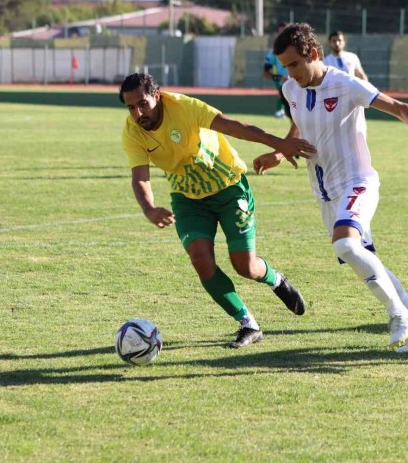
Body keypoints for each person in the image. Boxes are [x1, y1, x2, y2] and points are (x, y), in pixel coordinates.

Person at [253, 23, 408, 352]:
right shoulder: (292, 90)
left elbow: (398, 107)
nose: (289, 74)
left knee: (346, 246)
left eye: (293, 65)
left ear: (314, 54)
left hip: (357, 182)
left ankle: (399, 314)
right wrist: (279, 152)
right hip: (325, 192)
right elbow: (299, 127)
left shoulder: (345, 84)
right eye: (284, 67)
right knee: (361, 257)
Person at [119, 73, 316, 349]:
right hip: (188, 198)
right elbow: (140, 176)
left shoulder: (186, 108)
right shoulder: (133, 131)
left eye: (143, 104)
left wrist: (278, 144)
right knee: (200, 259)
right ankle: (248, 323)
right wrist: (149, 208)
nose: (138, 113)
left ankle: (277, 280)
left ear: (158, 95)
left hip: (229, 187)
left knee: (245, 266)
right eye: (130, 107)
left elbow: (236, 127)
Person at [263, 23, 290, 119]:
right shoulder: (274, 52)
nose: (282, 34)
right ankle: (279, 111)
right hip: (282, 81)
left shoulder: (298, 48)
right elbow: (265, 73)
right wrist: (279, 78)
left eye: (285, 31)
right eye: (280, 31)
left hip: (298, 81)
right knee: (283, 95)